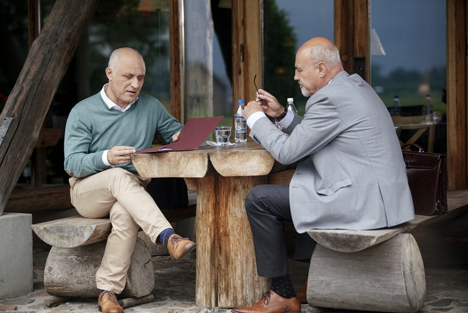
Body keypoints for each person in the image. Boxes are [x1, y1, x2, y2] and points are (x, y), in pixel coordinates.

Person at [232, 37, 415, 313]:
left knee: (260, 199)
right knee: (306, 186)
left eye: (299, 70)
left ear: (320, 69)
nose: (295, 76)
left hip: (364, 203)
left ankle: (282, 294)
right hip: (385, 200)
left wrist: (256, 118)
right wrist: (281, 115)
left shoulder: (328, 98)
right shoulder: (353, 86)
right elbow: (319, 134)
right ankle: (311, 280)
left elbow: (286, 152)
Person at [64, 47, 196, 313]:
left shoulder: (150, 106)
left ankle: (107, 292)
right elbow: (71, 164)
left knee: (125, 215)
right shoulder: (83, 111)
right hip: (88, 192)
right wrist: (105, 158)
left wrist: (182, 136)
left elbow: (177, 133)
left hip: (130, 193)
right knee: (118, 174)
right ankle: (167, 235)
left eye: (141, 77)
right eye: (128, 77)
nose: (135, 84)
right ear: (109, 74)